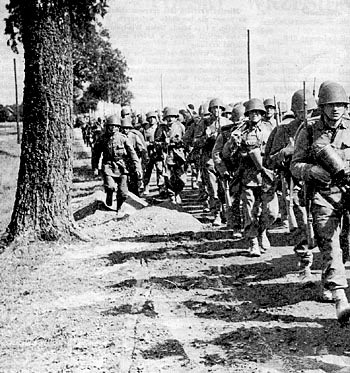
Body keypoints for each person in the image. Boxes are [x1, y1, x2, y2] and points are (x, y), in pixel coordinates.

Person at [291, 81, 350, 323]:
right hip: (323, 195)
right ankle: (340, 298)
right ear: (322, 107)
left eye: (340, 105)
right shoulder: (309, 130)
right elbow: (295, 165)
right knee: (329, 242)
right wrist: (312, 171)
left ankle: (329, 279)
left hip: (348, 191)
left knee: (346, 242)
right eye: (330, 105)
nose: (335, 110)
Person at [223, 98, 278, 256]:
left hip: (267, 176)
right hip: (248, 177)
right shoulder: (241, 130)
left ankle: (263, 230)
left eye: (257, 112)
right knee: (249, 211)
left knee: (272, 212)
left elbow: (276, 148)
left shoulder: (270, 129)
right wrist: (232, 143)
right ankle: (253, 241)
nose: (254, 115)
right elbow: (226, 154)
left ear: (262, 113)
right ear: (247, 114)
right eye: (251, 112)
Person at [92, 114, 141, 216]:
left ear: (119, 127)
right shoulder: (102, 139)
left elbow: (132, 154)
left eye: (116, 126)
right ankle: (109, 194)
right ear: (107, 127)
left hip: (122, 166)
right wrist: (95, 167)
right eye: (111, 126)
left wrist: (137, 167)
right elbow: (95, 154)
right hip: (108, 166)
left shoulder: (123, 138)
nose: (113, 128)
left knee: (123, 192)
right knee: (110, 186)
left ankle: (119, 207)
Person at [194, 98, 231, 225]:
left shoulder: (228, 123)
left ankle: (226, 212)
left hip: (224, 160)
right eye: (215, 108)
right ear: (210, 110)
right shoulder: (204, 123)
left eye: (220, 108)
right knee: (213, 189)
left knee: (225, 188)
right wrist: (207, 137)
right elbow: (196, 142)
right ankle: (216, 214)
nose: (217, 111)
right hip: (209, 160)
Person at [154, 107, 186, 203]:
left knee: (180, 177)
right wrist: (164, 143)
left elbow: (186, 139)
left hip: (179, 154)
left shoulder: (180, 127)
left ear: (176, 118)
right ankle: (172, 195)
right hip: (167, 155)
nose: (170, 119)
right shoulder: (161, 128)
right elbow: (156, 142)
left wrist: (178, 142)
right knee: (168, 176)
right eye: (168, 117)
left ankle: (178, 193)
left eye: (172, 117)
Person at [119, 117, 146, 196]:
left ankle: (135, 194)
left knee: (134, 177)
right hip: (124, 159)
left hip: (133, 159)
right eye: (123, 128)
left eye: (127, 128)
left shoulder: (134, 136)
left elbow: (141, 148)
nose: (125, 130)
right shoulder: (120, 137)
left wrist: (139, 158)